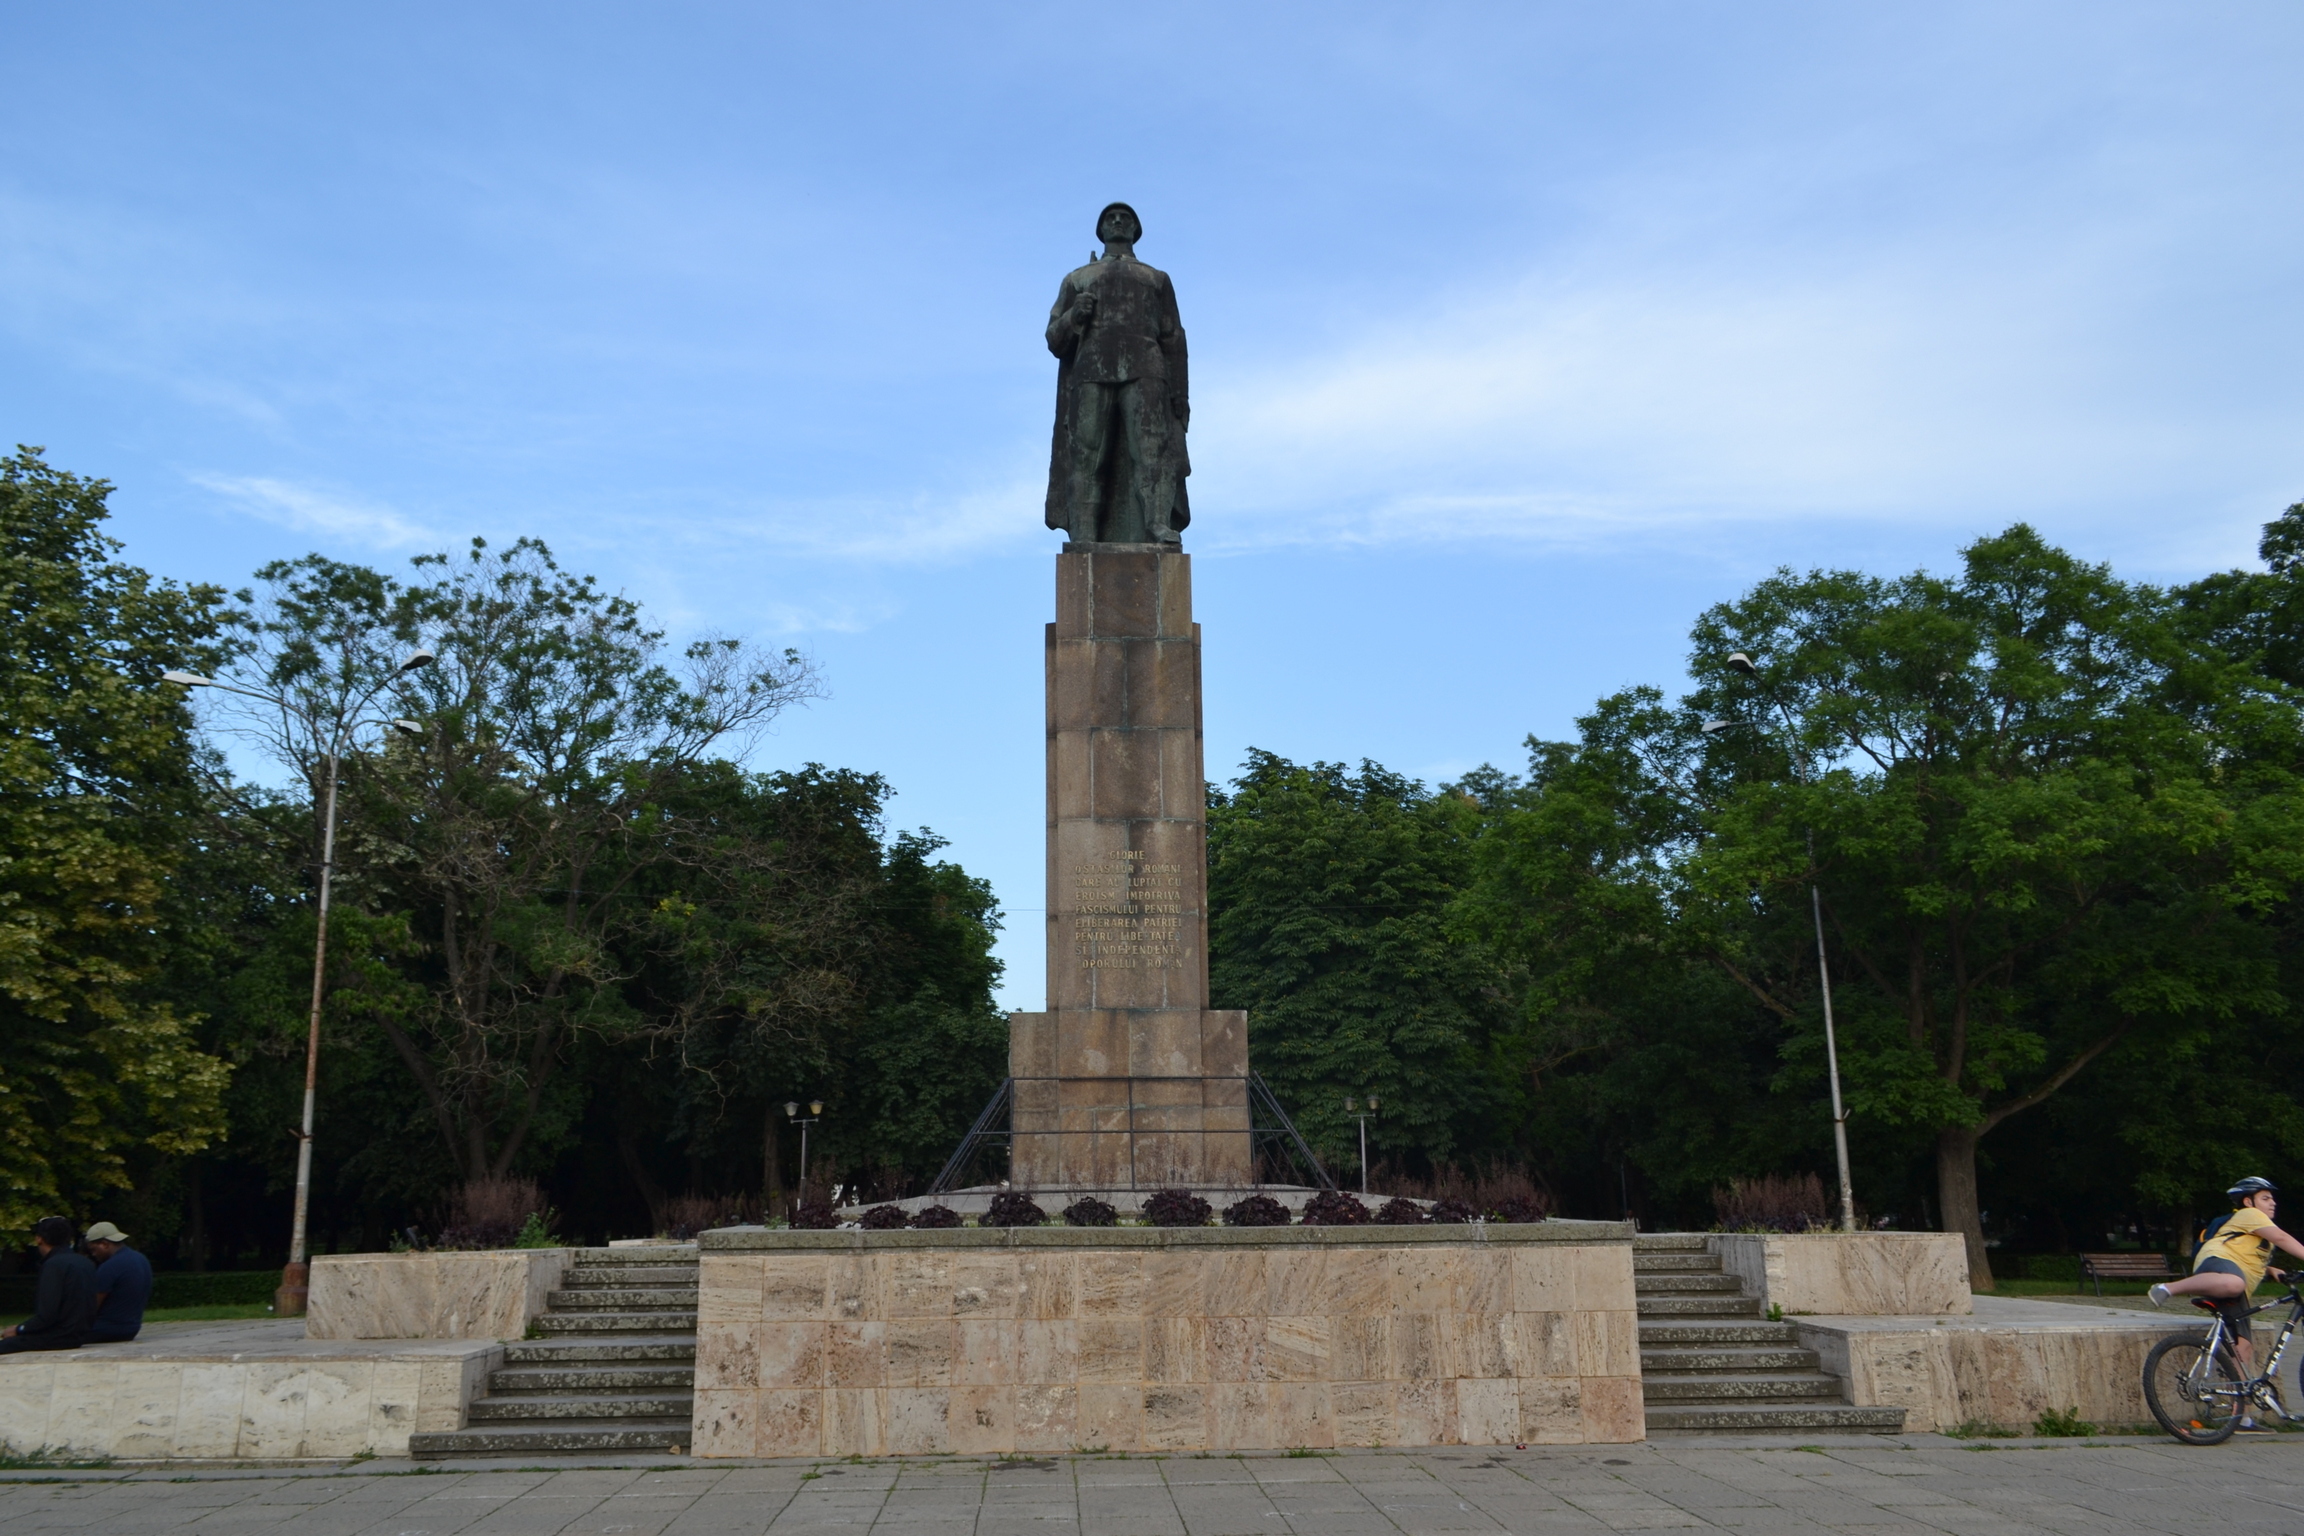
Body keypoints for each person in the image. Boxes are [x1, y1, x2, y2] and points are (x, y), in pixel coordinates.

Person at [2150, 1176, 2304, 1428]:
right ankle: (2167, 1288)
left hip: (2232, 1284)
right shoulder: (2250, 1215)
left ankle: (2241, 1418)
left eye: (2272, 1198)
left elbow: (2245, 1256)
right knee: (2234, 1283)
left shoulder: (2255, 1234)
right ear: (2248, 1201)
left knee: (2242, 1348)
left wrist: (2272, 1270)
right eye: (2266, 1198)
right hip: (2217, 1266)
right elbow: (2284, 1239)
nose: (2272, 1203)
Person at [0, 1216, 97, 1354]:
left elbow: (47, 1316)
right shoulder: (85, 1262)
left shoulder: (53, 1265)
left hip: (58, 1336)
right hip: (80, 1334)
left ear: (39, 1239)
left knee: (7, 1344)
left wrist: (19, 1329)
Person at [83, 1221, 153, 1343]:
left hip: (105, 1328)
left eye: (93, 1249)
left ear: (104, 1244)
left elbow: (92, 1306)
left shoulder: (109, 1267)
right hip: (132, 1327)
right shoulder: (141, 1259)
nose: (93, 1254)